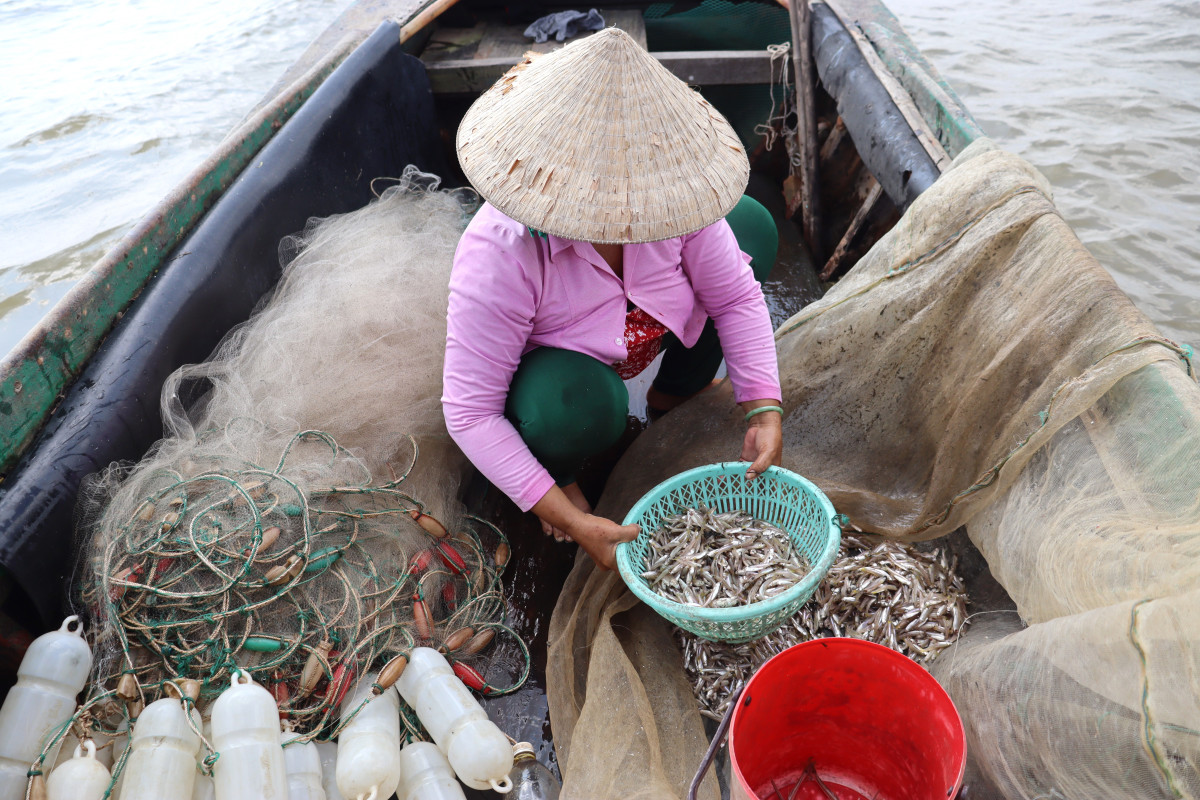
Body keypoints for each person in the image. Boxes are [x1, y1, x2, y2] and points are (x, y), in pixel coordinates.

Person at [442, 28, 783, 571]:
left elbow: (736, 299)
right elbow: (470, 414)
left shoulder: (675, 196)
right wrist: (567, 515)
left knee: (750, 228)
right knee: (574, 407)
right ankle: (559, 469)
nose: (622, 213)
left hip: (647, 329)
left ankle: (673, 394)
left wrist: (764, 407)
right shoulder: (498, 252)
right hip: (560, 377)